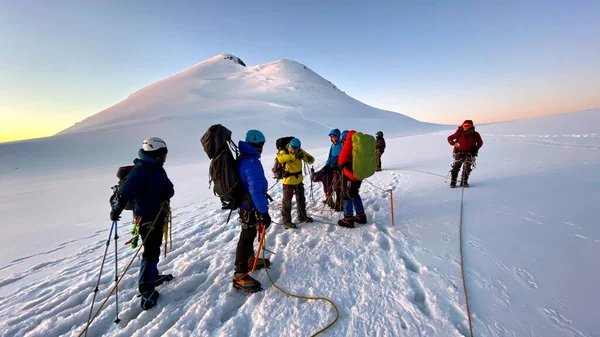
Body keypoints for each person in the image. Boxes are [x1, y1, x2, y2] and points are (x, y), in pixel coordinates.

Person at [110, 137, 174, 310]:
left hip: (156, 214)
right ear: (156, 153)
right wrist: (116, 210)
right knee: (151, 251)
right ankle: (146, 289)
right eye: (163, 153)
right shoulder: (142, 169)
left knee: (153, 248)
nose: (165, 156)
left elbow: (169, 189)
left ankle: (152, 275)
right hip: (148, 217)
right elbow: (125, 191)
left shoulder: (155, 168)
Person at [232, 130, 272, 293]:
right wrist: (264, 211)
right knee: (247, 237)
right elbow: (255, 189)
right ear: (259, 145)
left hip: (247, 205)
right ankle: (240, 274)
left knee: (249, 235)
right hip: (249, 206)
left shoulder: (246, 159)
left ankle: (249, 260)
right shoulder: (251, 162)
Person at [276, 138, 315, 229]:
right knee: (287, 202)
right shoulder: (283, 151)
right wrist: (293, 156)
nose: (294, 150)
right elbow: (280, 158)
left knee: (301, 199)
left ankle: (302, 217)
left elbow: (311, 160)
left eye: (296, 149)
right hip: (288, 182)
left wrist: (303, 156)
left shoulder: (299, 151)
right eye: (293, 148)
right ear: (289, 145)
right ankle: (286, 222)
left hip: (298, 181)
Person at [337, 130, 367, 228]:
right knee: (354, 193)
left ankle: (348, 219)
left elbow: (341, 160)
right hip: (360, 174)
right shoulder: (361, 143)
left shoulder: (349, 143)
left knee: (346, 195)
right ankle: (361, 215)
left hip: (350, 175)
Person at [447, 120, 483, 188]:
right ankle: (453, 181)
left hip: (470, 152)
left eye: (468, 125)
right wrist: (454, 143)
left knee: (467, 167)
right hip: (459, 152)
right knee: (456, 166)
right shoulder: (459, 133)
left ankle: (464, 181)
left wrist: (475, 149)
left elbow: (480, 142)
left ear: (471, 126)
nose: (466, 127)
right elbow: (449, 138)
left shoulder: (475, 134)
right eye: (465, 125)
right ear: (462, 125)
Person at [321, 129, 343, 210]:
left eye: (334, 136)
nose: (333, 138)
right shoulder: (332, 146)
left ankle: (339, 202)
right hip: (332, 167)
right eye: (331, 137)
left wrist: (339, 166)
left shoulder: (341, 145)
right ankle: (329, 198)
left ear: (338, 136)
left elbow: (343, 157)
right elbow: (330, 157)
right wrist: (326, 165)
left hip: (339, 168)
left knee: (338, 186)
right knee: (325, 179)